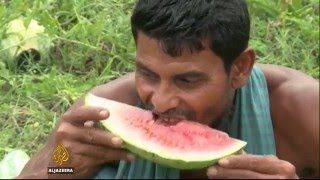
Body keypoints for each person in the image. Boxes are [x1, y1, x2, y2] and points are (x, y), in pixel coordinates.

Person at [16, 0, 319, 179]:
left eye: (187, 81)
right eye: (147, 73)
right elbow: (49, 172)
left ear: (239, 68)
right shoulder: (104, 109)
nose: (159, 101)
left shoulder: (303, 112)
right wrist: (61, 167)